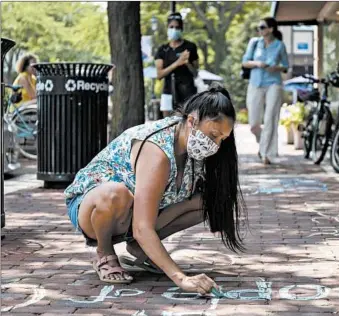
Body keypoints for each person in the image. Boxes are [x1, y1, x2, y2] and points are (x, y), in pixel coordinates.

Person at [64, 83, 246, 294]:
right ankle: (104, 253)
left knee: (209, 200)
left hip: (132, 215)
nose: (216, 145)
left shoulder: (192, 149)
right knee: (115, 194)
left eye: (222, 139)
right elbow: (142, 226)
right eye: (214, 135)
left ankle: (141, 249)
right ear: (192, 121)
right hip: (93, 207)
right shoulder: (158, 150)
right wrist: (181, 278)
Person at [242, 17, 289, 165]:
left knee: (270, 118)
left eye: (262, 27)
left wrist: (276, 68)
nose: (259, 30)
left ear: (271, 29)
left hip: (273, 83)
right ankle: (263, 143)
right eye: (259, 27)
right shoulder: (254, 43)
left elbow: (286, 65)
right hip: (255, 84)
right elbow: (245, 62)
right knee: (254, 124)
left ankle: (265, 153)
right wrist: (258, 63)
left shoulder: (279, 45)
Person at [155, 12, 199, 118]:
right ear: (167, 28)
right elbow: (159, 74)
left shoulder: (190, 47)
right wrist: (178, 62)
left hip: (187, 92)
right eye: (171, 27)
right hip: (168, 91)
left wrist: (187, 62)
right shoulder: (163, 49)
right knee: (167, 125)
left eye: (177, 27)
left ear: (181, 28)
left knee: (186, 123)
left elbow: (196, 73)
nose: (174, 29)